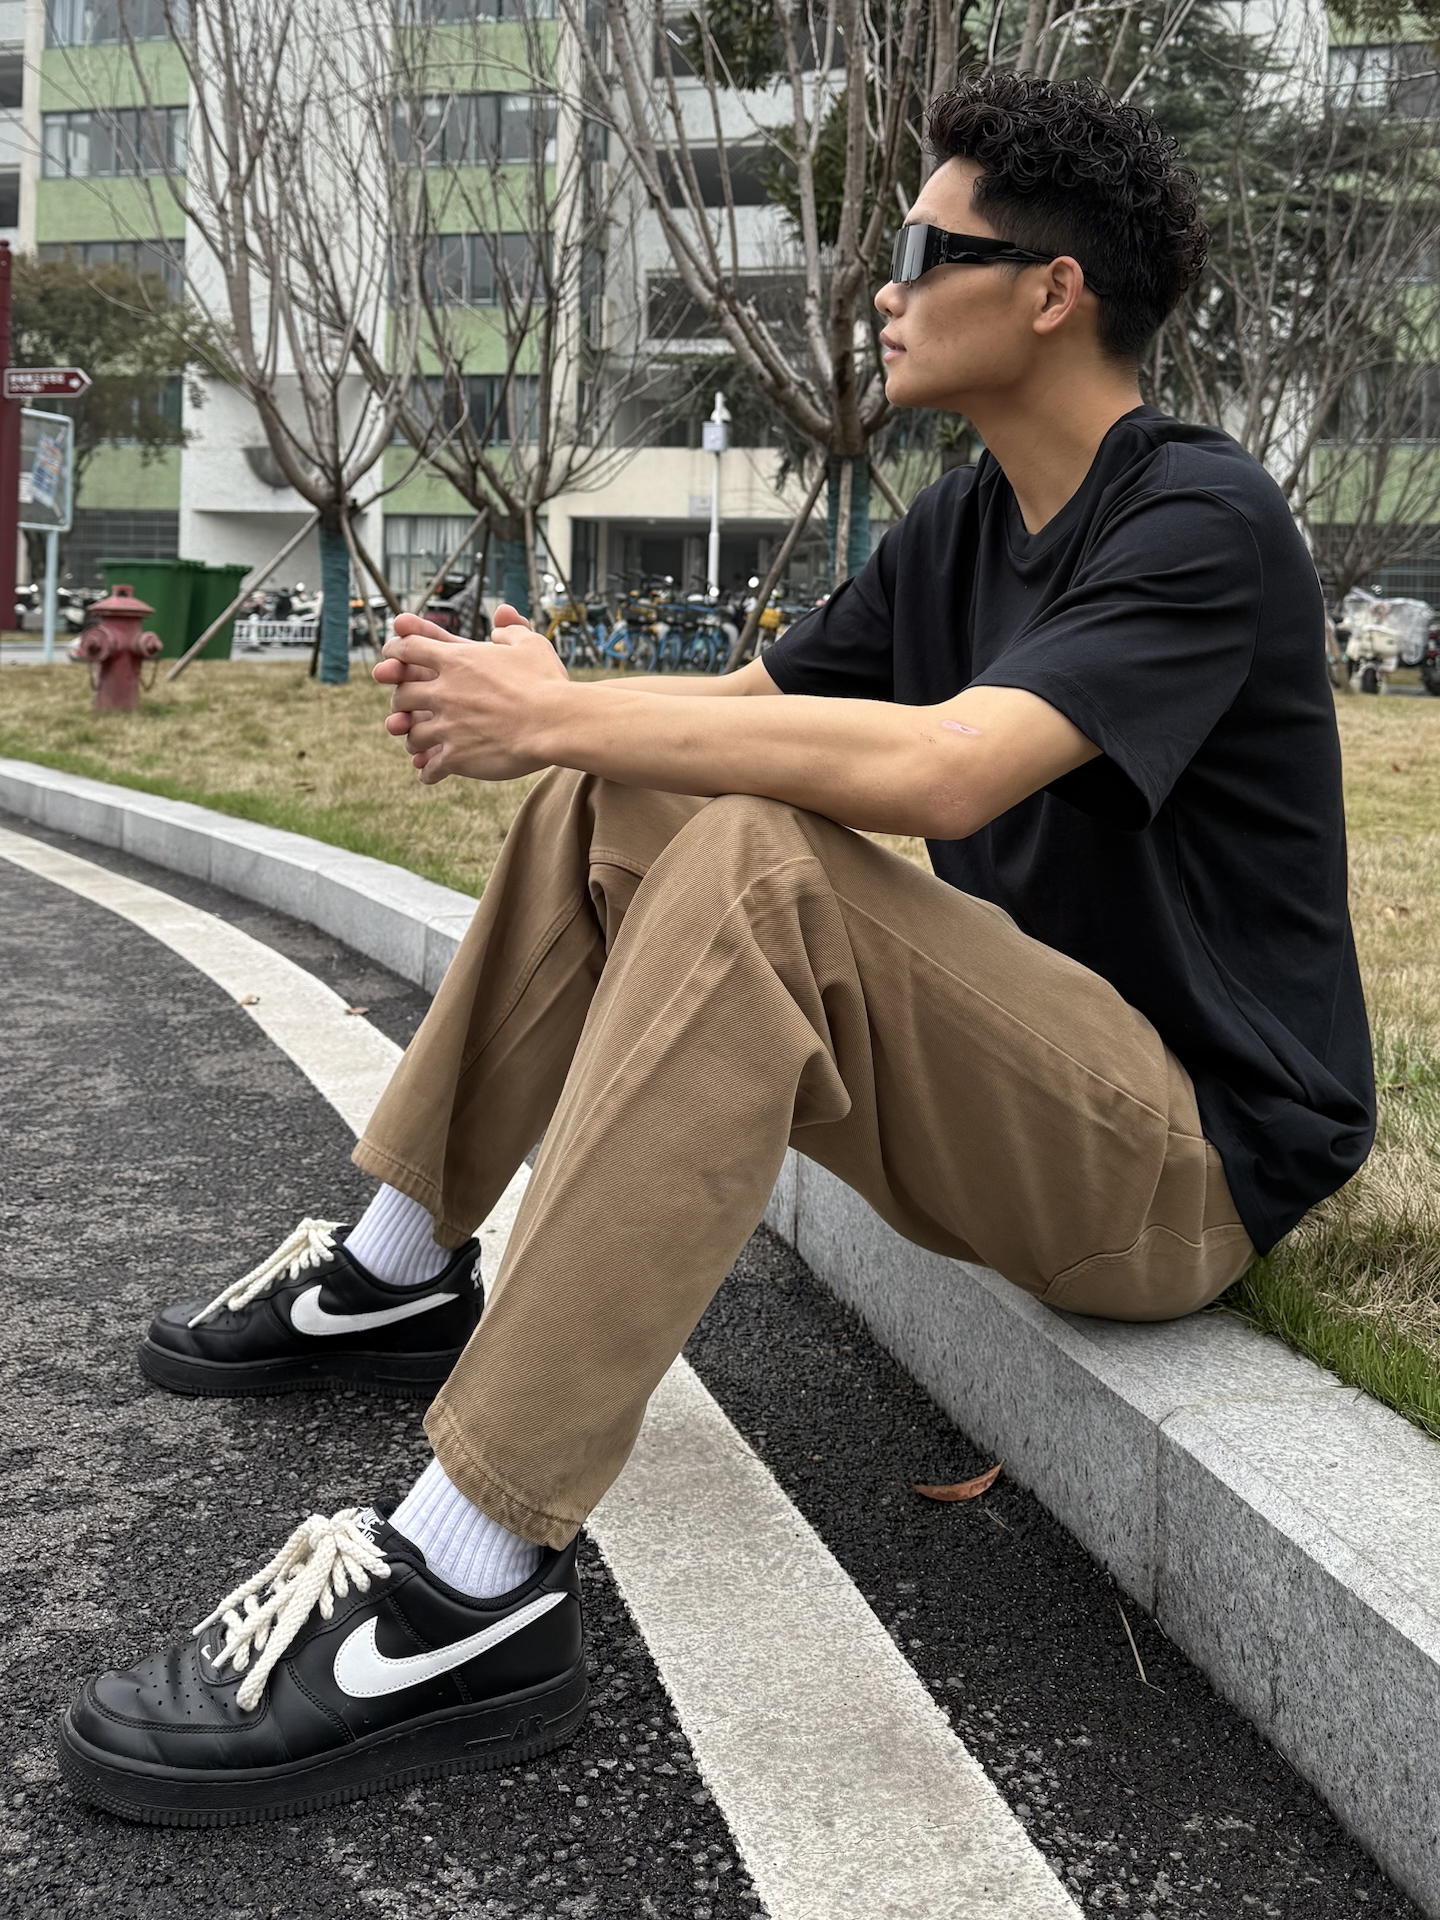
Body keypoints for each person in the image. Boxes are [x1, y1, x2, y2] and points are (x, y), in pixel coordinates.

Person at [60, 71, 1374, 1823]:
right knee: (627, 787)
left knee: (756, 863)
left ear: (1052, 291)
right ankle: (396, 1265)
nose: (882, 290)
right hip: (1029, 1093)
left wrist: (561, 712)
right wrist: (548, 707)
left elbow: (951, 763)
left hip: (1179, 1170)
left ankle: (464, 1583)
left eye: (924, 251)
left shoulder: (1198, 519)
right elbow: (744, 710)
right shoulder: (963, 523)